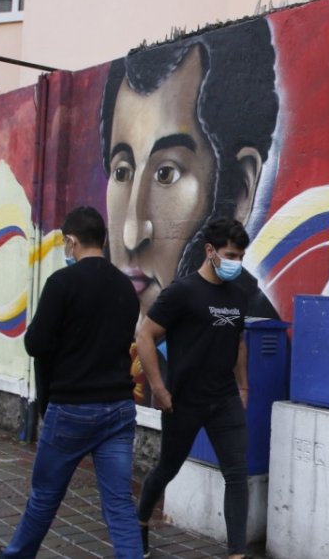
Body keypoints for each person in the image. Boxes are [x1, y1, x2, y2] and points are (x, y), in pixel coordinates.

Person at [0, 207, 142, 559]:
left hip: (72, 408)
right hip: (118, 409)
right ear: (102, 239)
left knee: (45, 496)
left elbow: (36, 344)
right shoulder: (125, 287)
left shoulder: (61, 283)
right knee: (118, 504)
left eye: (65, 244)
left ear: (70, 241)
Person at [99, 20, 280, 322]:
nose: (131, 235)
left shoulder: (246, 311)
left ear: (240, 191)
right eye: (122, 172)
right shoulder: (104, 311)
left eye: (166, 174)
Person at [135, 217, 253, 559]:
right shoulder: (182, 292)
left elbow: (239, 342)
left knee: (236, 473)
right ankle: (141, 520)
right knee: (167, 469)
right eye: (230, 255)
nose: (236, 263)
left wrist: (243, 386)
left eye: (240, 257)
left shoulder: (239, 296)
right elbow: (145, 336)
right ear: (210, 250)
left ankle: (236, 553)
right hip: (183, 401)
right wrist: (158, 387)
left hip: (225, 399)